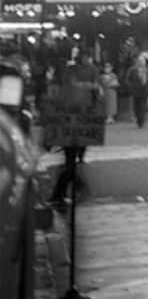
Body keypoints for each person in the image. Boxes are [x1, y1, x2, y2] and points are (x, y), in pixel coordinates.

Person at [49, 53, 102, 206]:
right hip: (76, 123)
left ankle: (64, 192)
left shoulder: (69, 78)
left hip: (73, 123)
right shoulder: (82, 75)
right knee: (70, 161)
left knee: (69, 161)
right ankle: (72, 189)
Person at [126, 53, 148, 128]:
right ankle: (138, 119)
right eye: (140, 61)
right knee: (136, 107)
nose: (142, 62)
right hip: (135, 91)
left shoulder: (146, 70)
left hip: (144, 91)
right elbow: (127, 80)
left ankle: (141, 121)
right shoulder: (132, 70)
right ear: (138, 62)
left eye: (143, 61)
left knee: (143, 106)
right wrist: (131, 87)